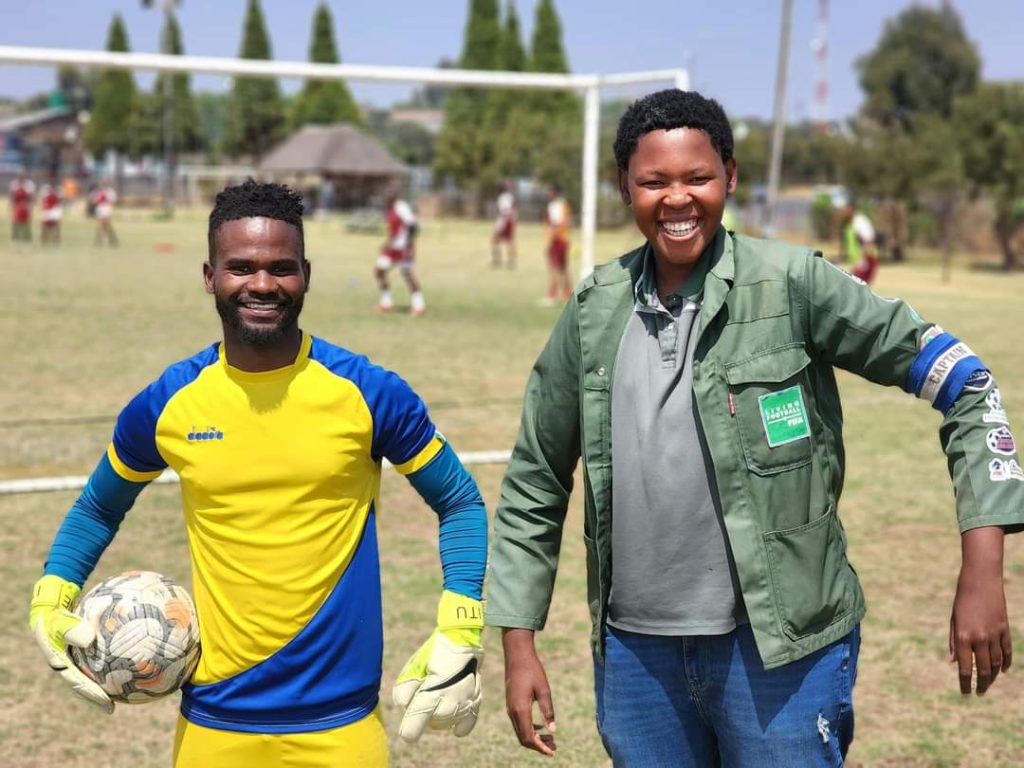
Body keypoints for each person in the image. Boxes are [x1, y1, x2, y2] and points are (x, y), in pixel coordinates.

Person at [486, 89, 1023, 766]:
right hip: (636, 661)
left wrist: (983, 566)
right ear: (624, 186)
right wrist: (518, 640)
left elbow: (967, 382)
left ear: (731, 177)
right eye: (653, 181)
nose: (677, 199)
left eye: (698, 178)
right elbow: (536, 476)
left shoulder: (793, 284)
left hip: (781, 656)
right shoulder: (594, 310)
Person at [29, 181, 487, 767]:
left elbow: (460, 502)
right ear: (209, 276)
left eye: (281, 268)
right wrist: (52, 594)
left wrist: (461, 622)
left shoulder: (368, 393)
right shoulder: (169, 403)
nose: (263, 285)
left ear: (306, 274)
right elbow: (99, 506)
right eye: (240, 268)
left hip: (340, 723)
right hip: (215, 718)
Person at [375, 193, 426, 316]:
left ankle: (419, 306)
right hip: (393, 249)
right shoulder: (389, 209)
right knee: (379, 271)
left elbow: (413, 226)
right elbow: (395, 231)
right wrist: (387, 243)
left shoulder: (401, 207)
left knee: (407, 274)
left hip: (404, 248)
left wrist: (409, 245)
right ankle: (386, 304)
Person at [542, 184, 572, 304]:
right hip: (562, 239)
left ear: (555, 193)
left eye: (550, 192)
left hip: (558, 239)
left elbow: (558, 223)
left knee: (554, 266)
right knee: (562, 267)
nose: (548, 194)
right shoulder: (561, 204)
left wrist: (551, 240)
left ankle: (552, 294)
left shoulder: (557, 205)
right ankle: (567, 292)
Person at [839, 199, 879, 285]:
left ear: (851, 209)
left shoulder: (859, 221)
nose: (843, 212)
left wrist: (863, 260)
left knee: (855, 288)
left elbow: (868, 240)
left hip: (866, 259)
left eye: (845, 210)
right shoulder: (850, 223)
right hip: (859, 260)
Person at [491, 180, 517, 269]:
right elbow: (513, 209)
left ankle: (497, 260)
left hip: (503, 219)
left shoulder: (501, 197)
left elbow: (501, 210)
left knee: (494, 239)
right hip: (511, 219)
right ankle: (512, 262)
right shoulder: (511, 197)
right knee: (510, 241)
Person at [9, 172, 35, 247]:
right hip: (18, 206)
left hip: (25, 206)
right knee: (16, 222)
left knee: (26, 223)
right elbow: (13, 197)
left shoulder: (29, 185)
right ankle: (15, 237)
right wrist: (12, 206)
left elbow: (30, 197)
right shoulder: (14, 185)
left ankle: (27, 237)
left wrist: (30, 207)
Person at [91, 180, 118, 247]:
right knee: (101, 223)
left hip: (106, 208)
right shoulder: (98, 192)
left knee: (106, 223)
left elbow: (113, 200)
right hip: (100, 208)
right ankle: (101, 239)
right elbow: (94, 200)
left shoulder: (110, 192)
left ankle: (109, 238)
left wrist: (111, 207)